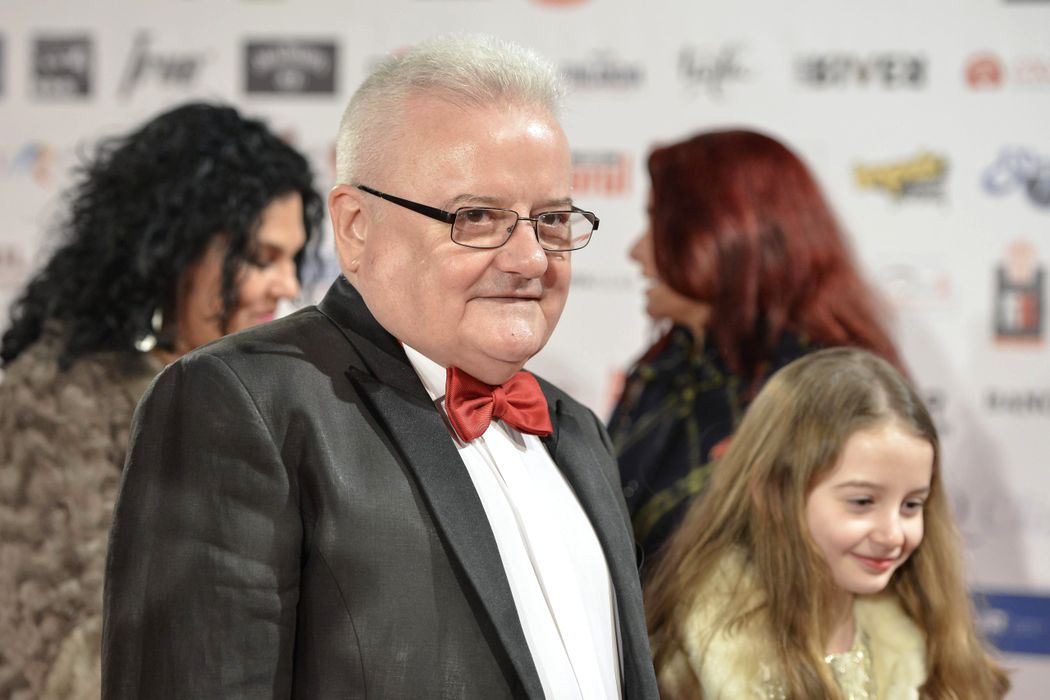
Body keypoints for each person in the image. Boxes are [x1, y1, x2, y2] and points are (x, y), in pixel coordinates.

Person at [101, 35, 659, 700]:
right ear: (356, 226)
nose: (531, 258)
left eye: (553, 219)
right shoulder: (242, 405)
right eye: (478, 217)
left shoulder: (578, 430)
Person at [0, 101, 322, 700]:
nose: (289, 286)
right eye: (261, 258)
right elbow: (62, 661)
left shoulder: (259, 391)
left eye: (292, 257)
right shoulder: (49, 404)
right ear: (175, 250)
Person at [608, 129, 905, 568]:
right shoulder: (663, 367)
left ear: (726, 233)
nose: (636, 252)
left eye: (658, 223)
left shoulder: (825, 393)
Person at [646, 347, 1011, 698]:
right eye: (862, 502)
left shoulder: (919, 631)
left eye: (912, 505)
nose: (892, 534)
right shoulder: (699, 657)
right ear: (774, 493)